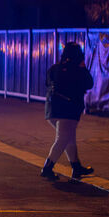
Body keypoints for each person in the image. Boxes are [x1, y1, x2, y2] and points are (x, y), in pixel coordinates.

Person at [40, 42, 94, 181]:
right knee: (63, 139)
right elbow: (89, 83)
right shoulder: (77, 69)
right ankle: (47, 167)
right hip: (68, 110)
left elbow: (47, 84)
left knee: (68, 138)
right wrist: (82, 68)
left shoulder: (54, 68)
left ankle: (76, 167)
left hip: (51, 109)